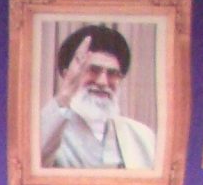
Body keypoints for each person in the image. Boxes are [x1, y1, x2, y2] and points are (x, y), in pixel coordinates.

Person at [39, 23, 159, 171]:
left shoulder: (141, 135)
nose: (103, 82)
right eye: (93, 70)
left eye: (112, 73)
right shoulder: (50, 131)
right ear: (66, 75)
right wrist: (65, 94)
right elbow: (29, 163)